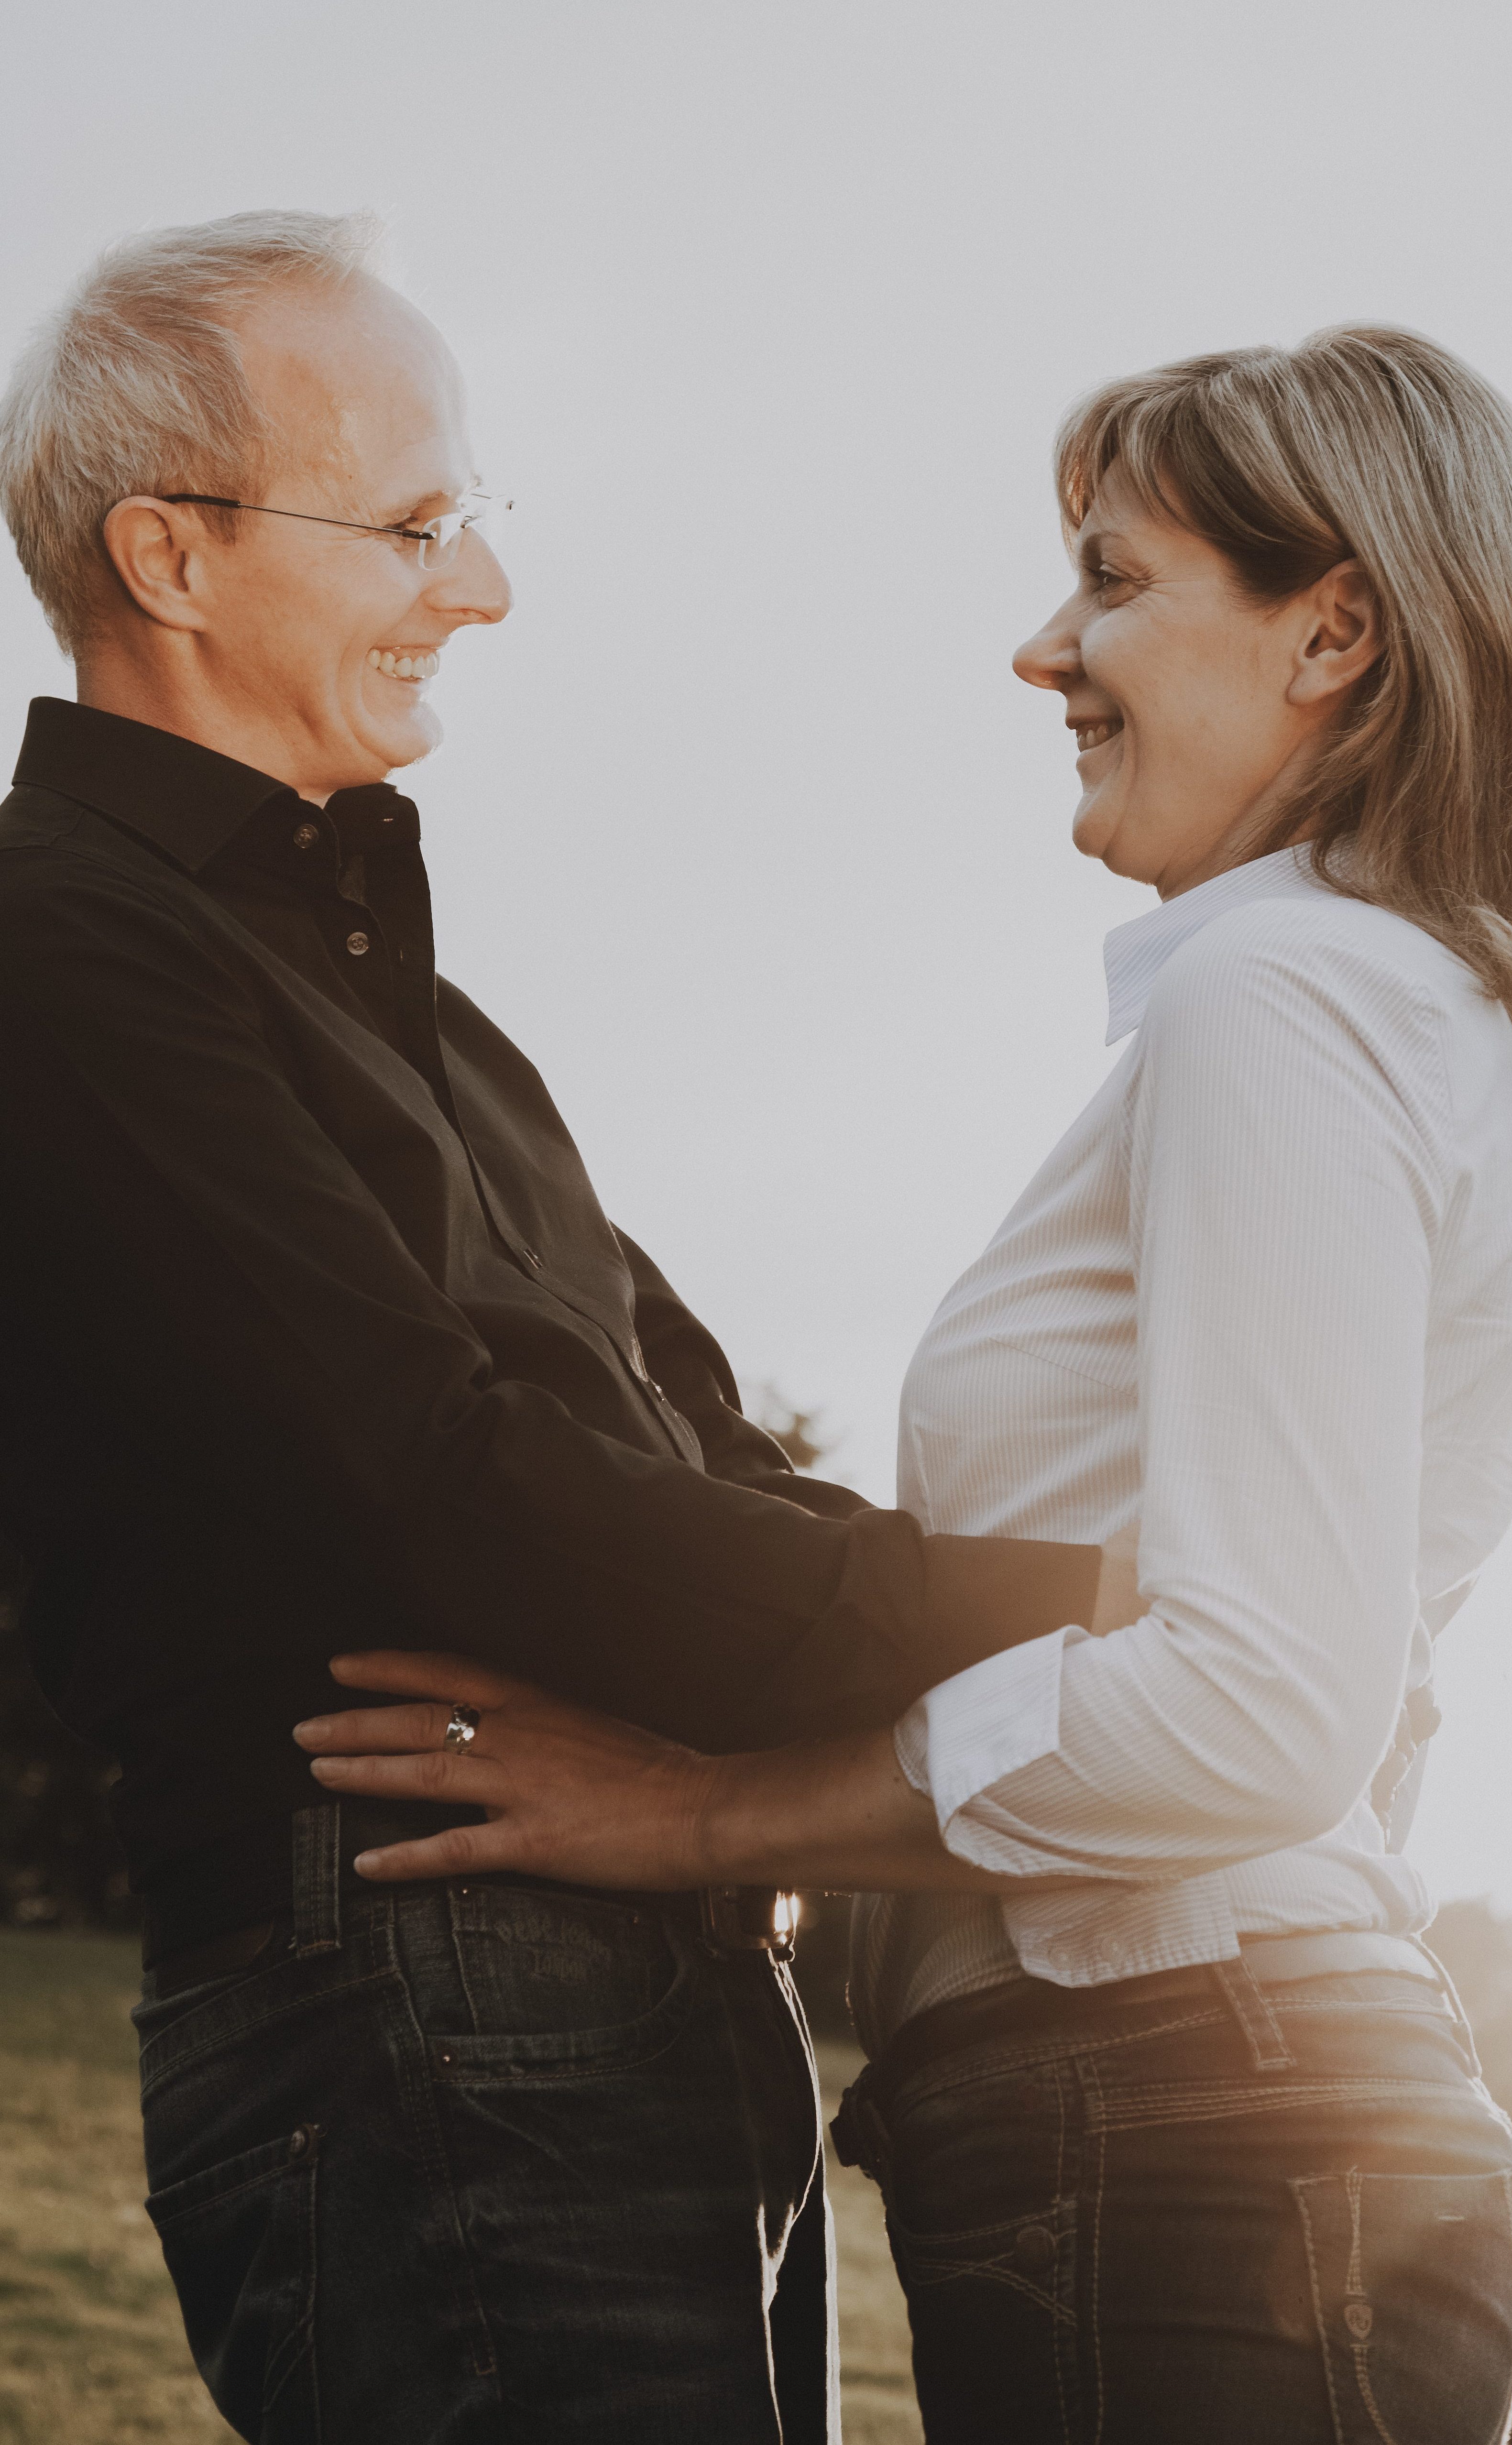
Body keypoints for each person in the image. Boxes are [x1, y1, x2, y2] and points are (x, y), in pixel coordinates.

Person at [300, 327, 1512, 2442]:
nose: (1043, 651)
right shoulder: (1412, 1011)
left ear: (1337, 633)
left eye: (1112, 582)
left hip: (1196, 2123)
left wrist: (712, 1812)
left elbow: (1270, 1699)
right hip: (1247, 2120)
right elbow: (1364, 1684)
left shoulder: (1283, 1000)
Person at [0, 209, 1102, 2445]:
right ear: (172, 556)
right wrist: (1084, 1614)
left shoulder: (438, 1028)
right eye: (418, 524)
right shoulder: (63, 947)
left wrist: (1143, 1637)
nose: (481, 590)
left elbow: (687, 1458)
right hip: (412, 1970)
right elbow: (444, 1476)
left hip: (640, 1983)